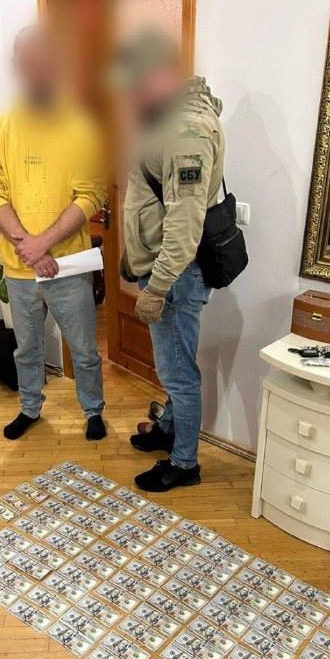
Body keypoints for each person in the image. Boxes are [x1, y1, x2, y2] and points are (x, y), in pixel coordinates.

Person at [0, 25, 107, 441]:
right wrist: (28, 248)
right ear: (17, 66)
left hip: (68, 265)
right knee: (26, 349)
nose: (36, 72)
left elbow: (91, 193)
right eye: (28, 63)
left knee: (83, 350)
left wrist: (42, 244)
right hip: (19, 269)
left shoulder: (82, 127)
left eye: (43, 64)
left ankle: (93, 411)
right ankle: (30, 408)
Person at [114, 29, 226, 492]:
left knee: (179, 375)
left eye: (135, 83)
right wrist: (133, 253)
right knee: (176, 367)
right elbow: (156, 198)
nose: (130, 95)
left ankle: (184, 464)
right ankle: (169, 431)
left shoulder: (186, 130)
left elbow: (183, 226)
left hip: (175, 276)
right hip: (166, 268)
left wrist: (156, 288)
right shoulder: (172, 118)